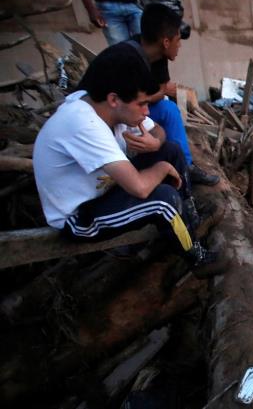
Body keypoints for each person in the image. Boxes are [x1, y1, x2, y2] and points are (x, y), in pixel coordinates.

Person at [33, 43, 218, 274]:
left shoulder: (107, 104)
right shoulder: (83, 123)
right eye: (142, 104)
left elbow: (158, 130)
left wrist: (156, 143)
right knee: (164, 200)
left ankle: (189, 215)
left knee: (171, 150)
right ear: (114, 100)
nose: (147, 112)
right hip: (79, 217)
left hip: (107, 190)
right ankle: (197, 258)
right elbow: (139, 188)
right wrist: (161, 168)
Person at [78, 2, 219, 186]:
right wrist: (152, 99)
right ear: (166, 42)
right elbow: (133, 101)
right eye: (178, 40)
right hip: (105, 118)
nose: (179, 46)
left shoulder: (156, 54)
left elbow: (159, 92)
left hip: (126, 109)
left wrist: (149, 112)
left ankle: (186, 167)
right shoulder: (126, 60)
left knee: (168, 109)